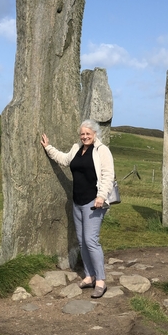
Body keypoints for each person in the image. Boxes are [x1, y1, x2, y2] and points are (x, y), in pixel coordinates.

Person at [40, 119, 114, 299]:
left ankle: (101, 281)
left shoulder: (101, 150)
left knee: (91, 241)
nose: (85, 136)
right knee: (82, 241)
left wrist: (101, 196)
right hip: (77, 202)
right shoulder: (77, 149)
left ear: (95, 134)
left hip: (93, 202)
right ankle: (89, 276)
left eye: (88, 133)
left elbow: (108, 174)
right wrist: (48, 148)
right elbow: (64, 160)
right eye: (82, 134)